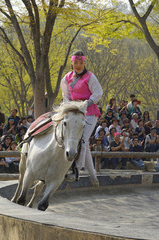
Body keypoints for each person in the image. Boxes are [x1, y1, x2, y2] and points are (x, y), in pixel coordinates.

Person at [60, 50, 103, 186]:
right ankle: (93, 176)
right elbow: (65, 94)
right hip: (74, 112)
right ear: (71, 63)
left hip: (89, 113)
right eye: (75, 63)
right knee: (83, 145)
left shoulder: (90, 77)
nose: (78, 65)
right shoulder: (67, 77)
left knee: (83, 140)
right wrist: (68, 103)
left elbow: (98, 93)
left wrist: (87, 103)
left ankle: (76, 169)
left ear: (84, 63)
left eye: (81, 63)